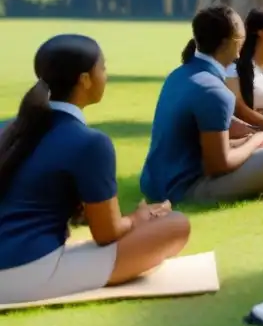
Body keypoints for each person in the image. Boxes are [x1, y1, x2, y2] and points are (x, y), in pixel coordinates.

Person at [0, 35, 190, 304]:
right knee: (176, 225)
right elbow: (107, 233)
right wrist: (139, 217)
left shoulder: (8, 129)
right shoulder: (90, 142)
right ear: (85, 79)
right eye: (103, 68)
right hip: (23, 275)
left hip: (19, 262)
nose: (106, 76)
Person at [140, 4, 263, 204]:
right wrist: (259, 139)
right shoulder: (215, 91)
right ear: (228, 43)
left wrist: (258, 137)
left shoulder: (179, 75)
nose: (243, 49)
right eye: (241, 41)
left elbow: (209, 141)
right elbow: (219, 164)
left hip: (154, 184)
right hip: (184, 190)